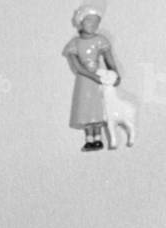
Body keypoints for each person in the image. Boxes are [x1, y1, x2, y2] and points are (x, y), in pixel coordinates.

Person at [63, 6, 121, 151]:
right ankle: (90, 139)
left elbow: (110, 60)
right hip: (85, 80)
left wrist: (114, 74)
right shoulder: (74, 44)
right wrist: (93, 76)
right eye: (89, 22)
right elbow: (78, 67)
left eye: (96, 23)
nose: (93, 26)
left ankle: (98, 139)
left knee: (98, 107)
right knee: (86, 107)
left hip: (100, 78)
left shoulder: (100, 40)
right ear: (80, 23)